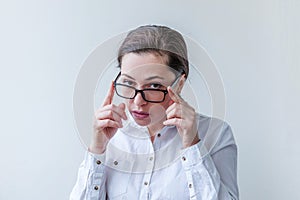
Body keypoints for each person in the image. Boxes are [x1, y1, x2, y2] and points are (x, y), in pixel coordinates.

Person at [70, 25, 239, 200]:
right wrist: (97, 150)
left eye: (154, 86)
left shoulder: (217, 134)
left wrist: (193, 146)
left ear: (179, 83)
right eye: (128, 83)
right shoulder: (112, 136)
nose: (138, 102)